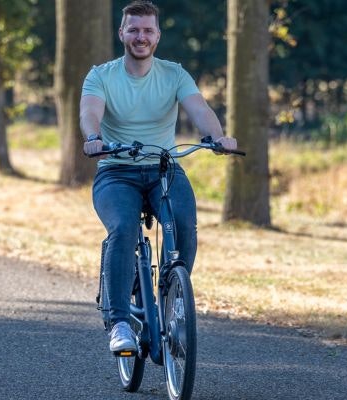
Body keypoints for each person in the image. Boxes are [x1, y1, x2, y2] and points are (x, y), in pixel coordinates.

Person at [80, 0, 237, 354]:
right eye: (133, 29)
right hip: (116, 171)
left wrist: (217, 137)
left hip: (164, 167)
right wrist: (93, 139)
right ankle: (119, 322)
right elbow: (90, 113)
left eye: (148, 30)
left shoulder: (174, 74)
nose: (141, 36)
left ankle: (175, 303)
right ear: (122, 33)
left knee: (184, 223)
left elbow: (200, 109)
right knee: (123, 228)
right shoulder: (100, 75)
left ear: (158, 36)